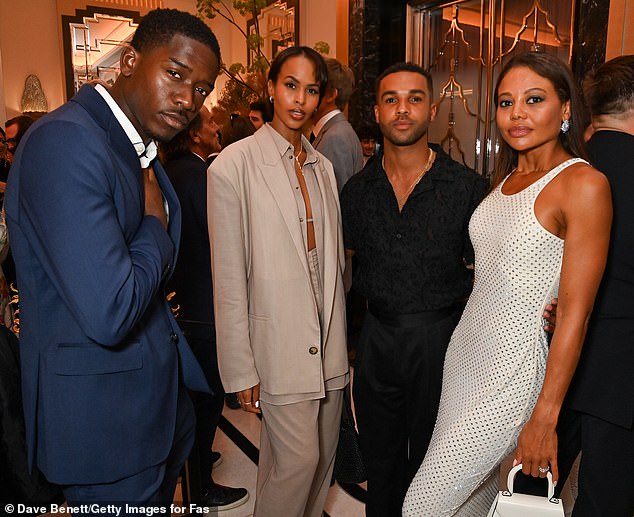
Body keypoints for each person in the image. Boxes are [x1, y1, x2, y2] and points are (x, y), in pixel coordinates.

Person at [4, 8, 221, 507]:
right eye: (176, 74)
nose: (190, 100)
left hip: (151, 412)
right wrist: (152, 229)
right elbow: (111, 310)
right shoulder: (66, 141)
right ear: (128, 60)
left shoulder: (135, 147)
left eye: (203, 89)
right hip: (103, 430)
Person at [403, 51, 612, 516]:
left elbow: (576, 315)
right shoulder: (509, 177)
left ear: (566, 109)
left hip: (513, 373)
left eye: (534, 99)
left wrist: (545, 416)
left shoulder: (583, 184)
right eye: (505, 102)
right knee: (470, 505)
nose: (516, 113)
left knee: (421, 506)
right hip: (466, 357)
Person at [339, 62, 488, 517]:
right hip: (376, 340)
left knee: (435, 467)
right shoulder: (356, 191)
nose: (403, 110)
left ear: (431, 107)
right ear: (377, 112)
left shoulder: (466, 187)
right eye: (391, 100)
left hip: (442, 339)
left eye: (414, 99)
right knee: (381, 468)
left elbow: (488, 271)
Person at [208, 46, 349, 517]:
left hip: (328, 342)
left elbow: (332, 264)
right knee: (298, 462)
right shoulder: (232, 166)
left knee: (322, 460)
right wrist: (240, 368)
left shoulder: (324, 168)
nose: (299, 100)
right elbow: (228, 279)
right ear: (271, 88)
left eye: (311, 90)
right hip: (276, 343)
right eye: (291, 85)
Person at [554, 55, 634, 517]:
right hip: (623, 365)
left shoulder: (561, 169)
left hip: (555, 352)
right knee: (605, 498)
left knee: (532, 483)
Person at [161, 106, 248, 511]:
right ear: (194, 134)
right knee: (206, 398)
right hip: (204, 307)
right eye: (211, 122)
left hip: (180, 303)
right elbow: (221, 241)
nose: (217, 128)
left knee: (193, 397)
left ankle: (196, 460)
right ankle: (201, 483)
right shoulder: (200, 176)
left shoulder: (169, 171)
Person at [312, 57, 364, 191]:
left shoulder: (335, 138)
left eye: (312, 90)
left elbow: (337, 200)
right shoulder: (334, 131)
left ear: (331, 95)